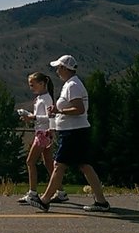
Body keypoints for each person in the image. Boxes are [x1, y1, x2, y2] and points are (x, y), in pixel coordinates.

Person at [28, 55, 110, 212]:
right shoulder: (71, 84)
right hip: (75, 131)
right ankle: (101, 201)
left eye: (59, 68)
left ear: (65, 69)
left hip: (74, 132)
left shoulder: (72, 85)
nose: (57, 71)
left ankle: (45, 200)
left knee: (59, 164)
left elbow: (80, 109)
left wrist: (59, 110)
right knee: (85, 165)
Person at [17, 72, 68, 204]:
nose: (31, 87)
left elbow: (50, 117)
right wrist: (30, 116)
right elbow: (43, 116)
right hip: (43, 132)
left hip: (43, 133)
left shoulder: (46, 99)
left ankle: (33, 193)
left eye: (32, 85)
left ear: (42, 84)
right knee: (48, 163)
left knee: (30, 161)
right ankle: (60, 192)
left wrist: (33, 117)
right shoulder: (41, 98)